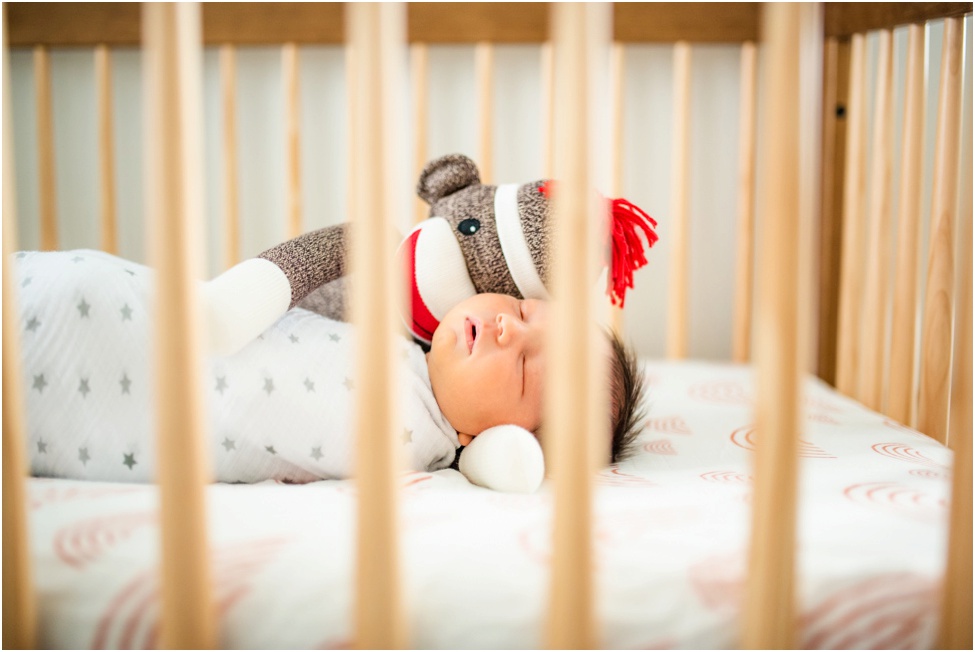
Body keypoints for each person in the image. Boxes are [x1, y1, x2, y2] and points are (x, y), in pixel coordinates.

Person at [427, 292, 646, 464]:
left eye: (522, 364)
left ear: (492, 438)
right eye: (522, 310)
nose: (509, 325)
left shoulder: (420, 436)